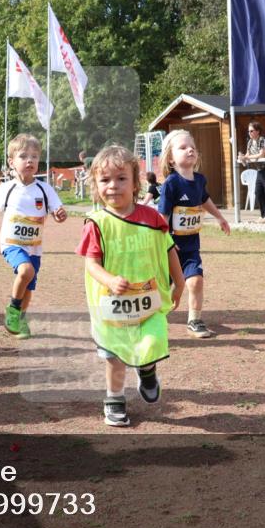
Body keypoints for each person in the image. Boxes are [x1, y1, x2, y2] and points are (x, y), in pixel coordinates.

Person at [77, 145, 185, 427]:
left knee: (151, 343)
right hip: (111, 306)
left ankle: (147, 370)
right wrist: (109, 280)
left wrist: (180, 282)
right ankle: (114, 399)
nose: (113, 186)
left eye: (121, 178)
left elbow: (169, 250)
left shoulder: (153, 220)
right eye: (105, 180)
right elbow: (91, 264)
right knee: (115, 356)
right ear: (95, 185)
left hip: (149, 301)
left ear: (136, 182)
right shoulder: (96, 224)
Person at [0, 134, 67, 339]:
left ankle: (21, 319)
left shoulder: (45, 189)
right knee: (25, 270)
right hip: (11, 243)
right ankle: (13, 309)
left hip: (34, 246)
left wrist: (60, 215)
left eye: (34, 156)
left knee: (29, 284)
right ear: (11, 162)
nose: (30, 160)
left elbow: (58, 212)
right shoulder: (7, 188)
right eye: (23, 156)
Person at [157, 129, 230, 339]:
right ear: (170, 158)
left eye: (193, 147)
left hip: (190, 247)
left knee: (196, 282)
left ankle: (194, 320)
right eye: (183, 147)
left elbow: (204, 199)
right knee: (162, 288)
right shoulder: (171, 183)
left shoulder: (199, 180)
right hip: (169, 249)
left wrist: (219, 217)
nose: (190, 150)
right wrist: (167, 239)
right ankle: (154, 318)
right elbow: (163, 215)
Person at [238, 121, 265, 223]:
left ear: (258, 131)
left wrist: (246, 157)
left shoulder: (262, 140)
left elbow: (261, 154)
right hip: (260, 169)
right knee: (258, 192)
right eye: (248, 131)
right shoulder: (250, 142)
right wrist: (242, 157)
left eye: (251, 131)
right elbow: (248, 155)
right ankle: (263, 215)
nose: (249, 133)